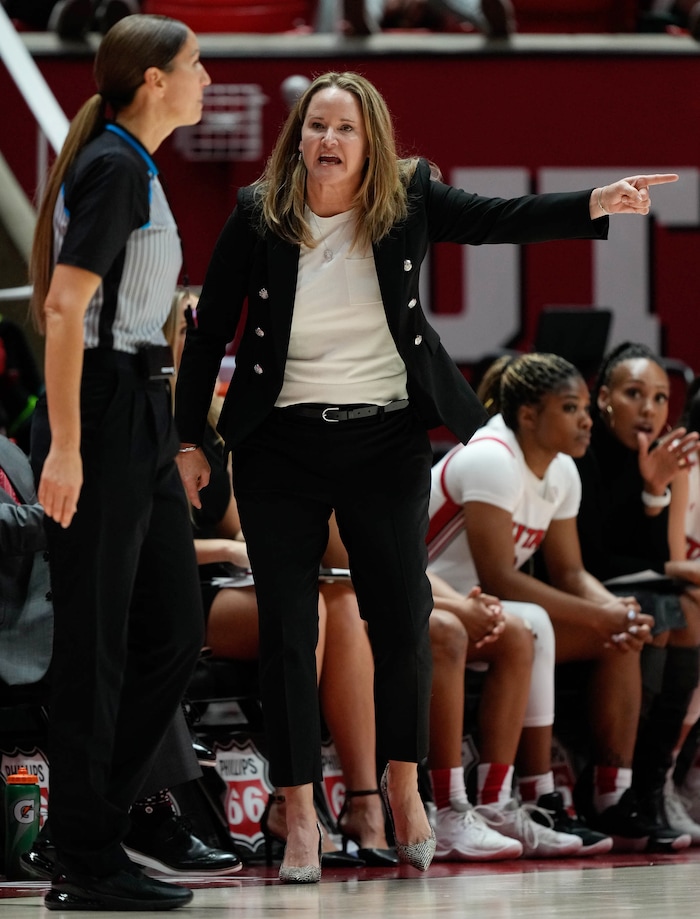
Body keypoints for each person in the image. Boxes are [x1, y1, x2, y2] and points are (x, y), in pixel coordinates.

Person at [173, 68, 676, 882]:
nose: (327, 141)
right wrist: (190, 437)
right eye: (315, 126)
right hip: (279, 446)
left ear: (372, 143)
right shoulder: (258, 213)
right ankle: (299, 809)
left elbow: (498, 220)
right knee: (291, 632)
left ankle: (405, 790)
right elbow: (206, 337)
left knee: (403, 620)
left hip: (385, 440)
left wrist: (594, 201)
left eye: (344, 128)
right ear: (296, 138)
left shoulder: (407, 197)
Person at [27, 14, 211, 911]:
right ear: (151, 82)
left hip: (138, 408)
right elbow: (64, 311)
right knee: (95, 645)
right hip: (96, 414)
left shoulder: (131, 166)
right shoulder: (110, 167)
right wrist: (65, 445)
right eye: (195, 66)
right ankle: (85, 855)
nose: (207, 78)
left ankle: (100, 815)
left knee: (176, 627)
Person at [167, 290, 397, 867]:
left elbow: (243, 528)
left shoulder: (212, 427)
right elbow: (140, 539)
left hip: (224, 584)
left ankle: (363, 802)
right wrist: (227, 547)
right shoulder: (138, 420)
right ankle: (295, 794)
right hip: (169, 589)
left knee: (340, 600)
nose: (206, 338)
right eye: (191, 326)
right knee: (307, 609)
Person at [574, 342, 700, 845]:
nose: (649, 409)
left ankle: (651, 785)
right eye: (633, 394)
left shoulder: (654, 459)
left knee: (685, 612)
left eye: (660, 398)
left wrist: (654, 489)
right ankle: (614, 790)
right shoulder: (580, 452)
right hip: (570, 588)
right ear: (603, 398)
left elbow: (646, 559)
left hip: (619, 588)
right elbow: (592, 558)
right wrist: (678, 566)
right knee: (656, 611)